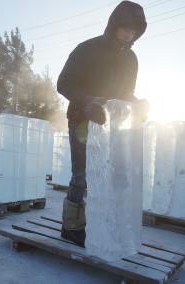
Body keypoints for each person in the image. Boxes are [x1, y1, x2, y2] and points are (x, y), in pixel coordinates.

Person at [57, 1, 148, 247]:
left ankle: (103, 221)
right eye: (125, 27)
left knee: (114, 174)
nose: (129, 33)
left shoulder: (131, 59)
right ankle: (71, 226)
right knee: (82, 174)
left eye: (135, 30)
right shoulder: (87, 49)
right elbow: (63, 83)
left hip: (114, 126)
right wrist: (88, 103)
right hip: (83, 120)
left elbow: (127, 93)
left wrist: (139, 104)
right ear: (114, 24)